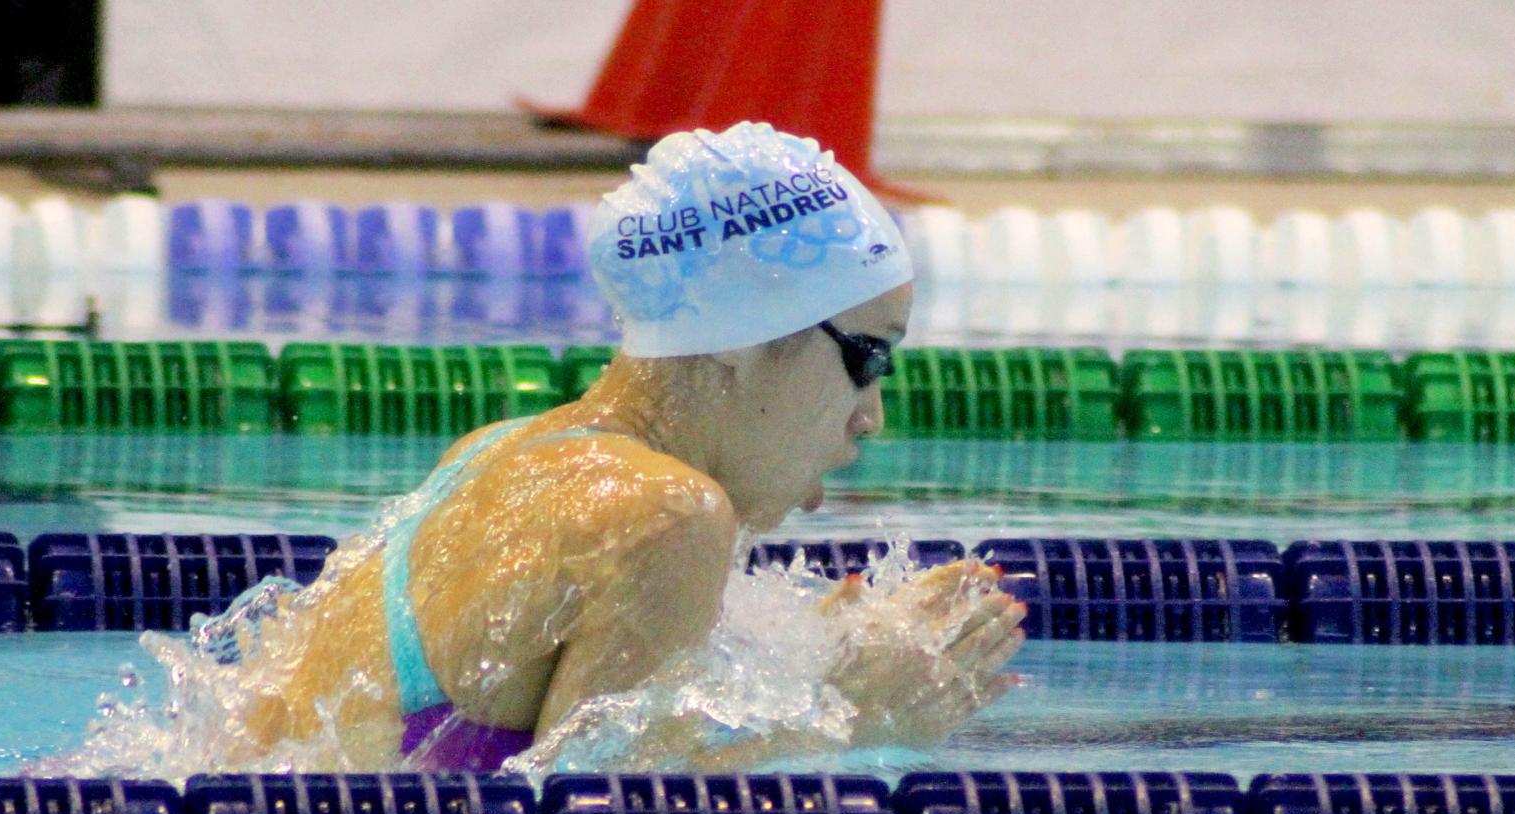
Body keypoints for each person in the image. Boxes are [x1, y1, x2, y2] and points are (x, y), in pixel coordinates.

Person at [215, 121, 1025, 772]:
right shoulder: (666, 512)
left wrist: (813, 665)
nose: (870, 416)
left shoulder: (501, 449)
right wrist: (859, 719)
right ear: (744, 336)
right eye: (868, 357)